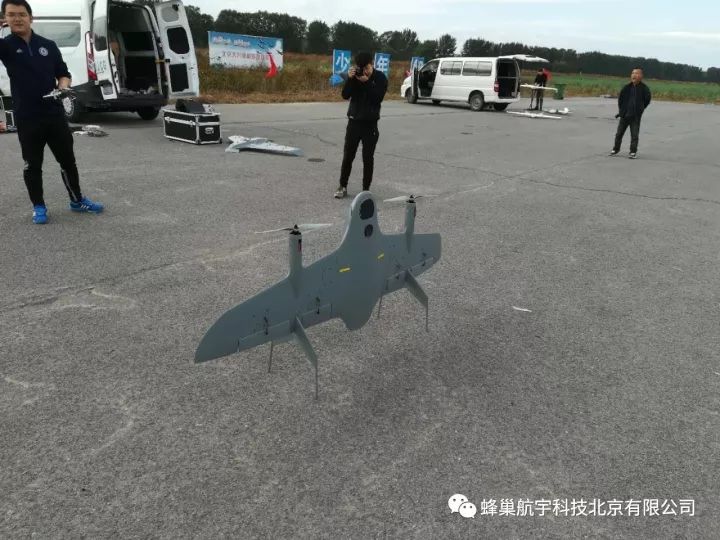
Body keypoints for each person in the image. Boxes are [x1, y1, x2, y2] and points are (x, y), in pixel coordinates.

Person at [0, 0, 104, 224]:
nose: (17, 18)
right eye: (11, 14)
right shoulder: (5, 46)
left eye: (21, 14)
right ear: (5, 19)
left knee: (68, 161)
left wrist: (63, 86)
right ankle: (38, 206)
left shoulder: (48, 45)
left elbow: (63, 73)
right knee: (32, 164)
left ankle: (77, 200)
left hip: (54, 114)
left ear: (31, 17)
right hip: (27, 116)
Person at [334, 51, 388, 199]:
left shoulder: (380, 77)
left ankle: (365, 190)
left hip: (370, 125)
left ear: (372, 64)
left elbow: (377, 98)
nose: (364, 71)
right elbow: (345, 95)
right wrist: (350, 79)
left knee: (368, 158)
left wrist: (367, 82)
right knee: (348, 156)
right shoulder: (355, 76)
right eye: (361, 68)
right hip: (354, 122)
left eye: (367, 68)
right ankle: (342, 186)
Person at [609, 67, 651, 159]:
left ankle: (632, 152)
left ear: (641, 76)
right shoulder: (626, 88)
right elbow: (620, 100)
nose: (634, 75)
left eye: (636, 73)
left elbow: (647, 100)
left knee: (634, 135)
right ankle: (615, 149)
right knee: (619, 134)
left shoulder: (644, 89)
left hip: (635, 116)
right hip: (624, 115)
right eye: (632, 73)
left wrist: (640, 109)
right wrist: (621, 111)